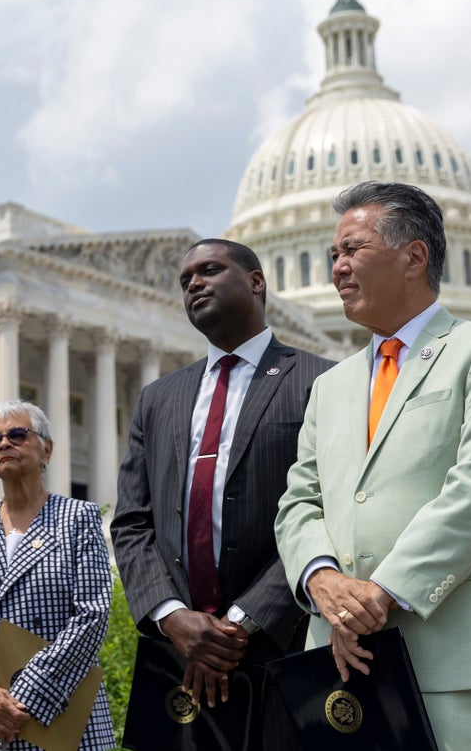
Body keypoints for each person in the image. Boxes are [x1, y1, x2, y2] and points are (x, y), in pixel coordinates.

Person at [275, 181, 471, 749]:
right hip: (338, 663)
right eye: (332, 256)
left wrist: (383, 592)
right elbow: (300, 501)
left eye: (352, 250)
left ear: (414, 257)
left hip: (453, 662)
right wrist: (322, 581)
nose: (337, 268)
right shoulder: (330, 386)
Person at [112, 239, 332, 750]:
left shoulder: (321, 380)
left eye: (210, 269)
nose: (193, 283)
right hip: (178, 657)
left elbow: (328, 510)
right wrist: (172, 617)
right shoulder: (158, 398)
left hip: (283, 643)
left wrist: (239, 624)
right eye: (185, 278)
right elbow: (131, 522)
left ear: (256, 281)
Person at [0, 400, 114, 751]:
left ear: (47, 449)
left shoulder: (78, 519)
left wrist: (21, 698)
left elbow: (93, 615)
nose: (3, 444)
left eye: (16, 434)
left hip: (54, 715)